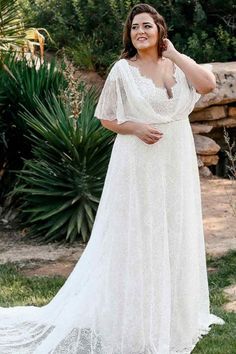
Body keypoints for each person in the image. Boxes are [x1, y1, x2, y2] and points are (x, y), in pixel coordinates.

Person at [0, 3, 225, 354]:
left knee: (174, 229)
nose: (140, 32)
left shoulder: (178, 65)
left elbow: (208, 84)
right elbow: (106, 117)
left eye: (147, 26)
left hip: (175, 157)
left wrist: (175, 53)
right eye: (135, 27)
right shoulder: (123, 69)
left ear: (160, 30)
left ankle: (174, 316)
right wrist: (133, 126)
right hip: (138, 159)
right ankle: (138, 319)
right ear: (129, 34)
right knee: (141, 234)